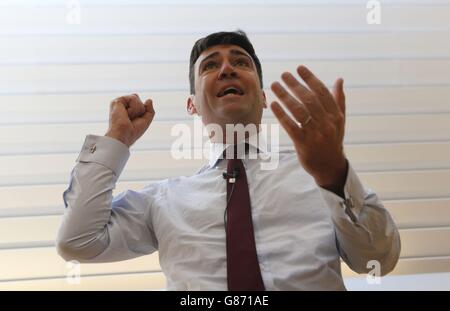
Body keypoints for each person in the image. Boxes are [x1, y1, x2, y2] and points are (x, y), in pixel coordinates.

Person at [56, 30, 401, 290]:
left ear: (263, 97)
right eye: (210, 65)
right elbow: (77, 242)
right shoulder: (161, 201)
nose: (226, 69)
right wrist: (117, 139)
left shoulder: (320, 177)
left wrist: (334, 175)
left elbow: (377, 260)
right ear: (191, 104)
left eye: (240, 62)